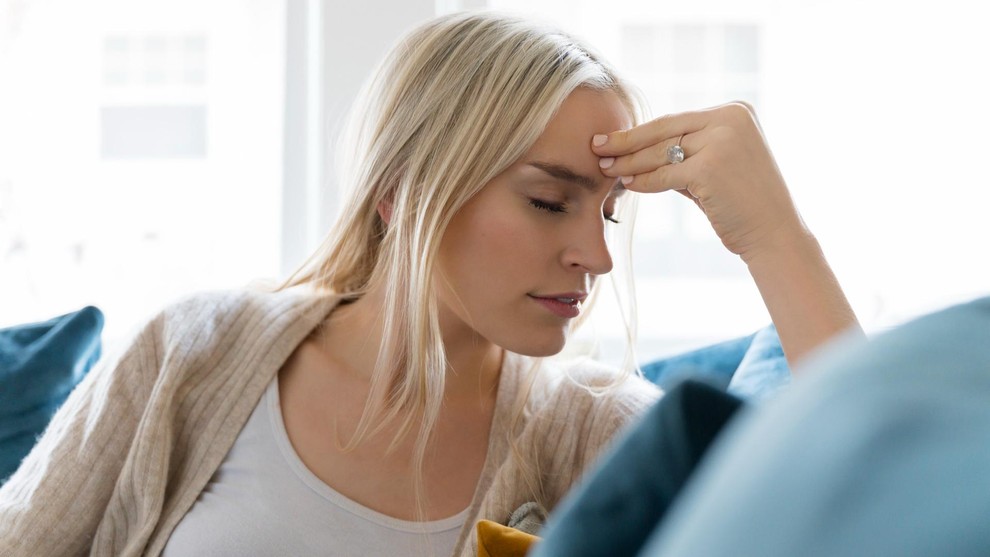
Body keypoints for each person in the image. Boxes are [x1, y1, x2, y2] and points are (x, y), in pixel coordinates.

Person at [0, 11, 859, 557]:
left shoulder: (592, 431)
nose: (595, 258)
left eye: (606, 213)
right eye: (550, 200)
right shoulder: (197, 352)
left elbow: (867, 511)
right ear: (404, 192)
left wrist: (776, 239)